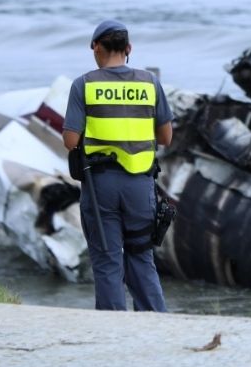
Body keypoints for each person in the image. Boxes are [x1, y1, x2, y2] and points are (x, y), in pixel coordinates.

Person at [62, 20, 173, 311]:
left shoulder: (84, 85)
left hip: (101, 187)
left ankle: (113, 331)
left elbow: (71, 141)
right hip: (140, 184)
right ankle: (155, 322)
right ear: (129, 49)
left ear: (96, 47)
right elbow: (166, 137)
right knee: (141, 256)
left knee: (107, 258)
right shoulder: (150, 83)